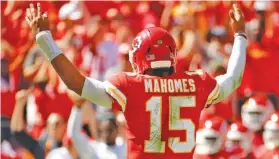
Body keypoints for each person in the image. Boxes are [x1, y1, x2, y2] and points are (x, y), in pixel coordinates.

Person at [25, 3, 246, 159]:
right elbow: (233, 79)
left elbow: (78, 84)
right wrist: (240, 36)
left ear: (140, 57)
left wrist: (45, 41)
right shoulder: (196, 82)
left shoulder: (130, 85)